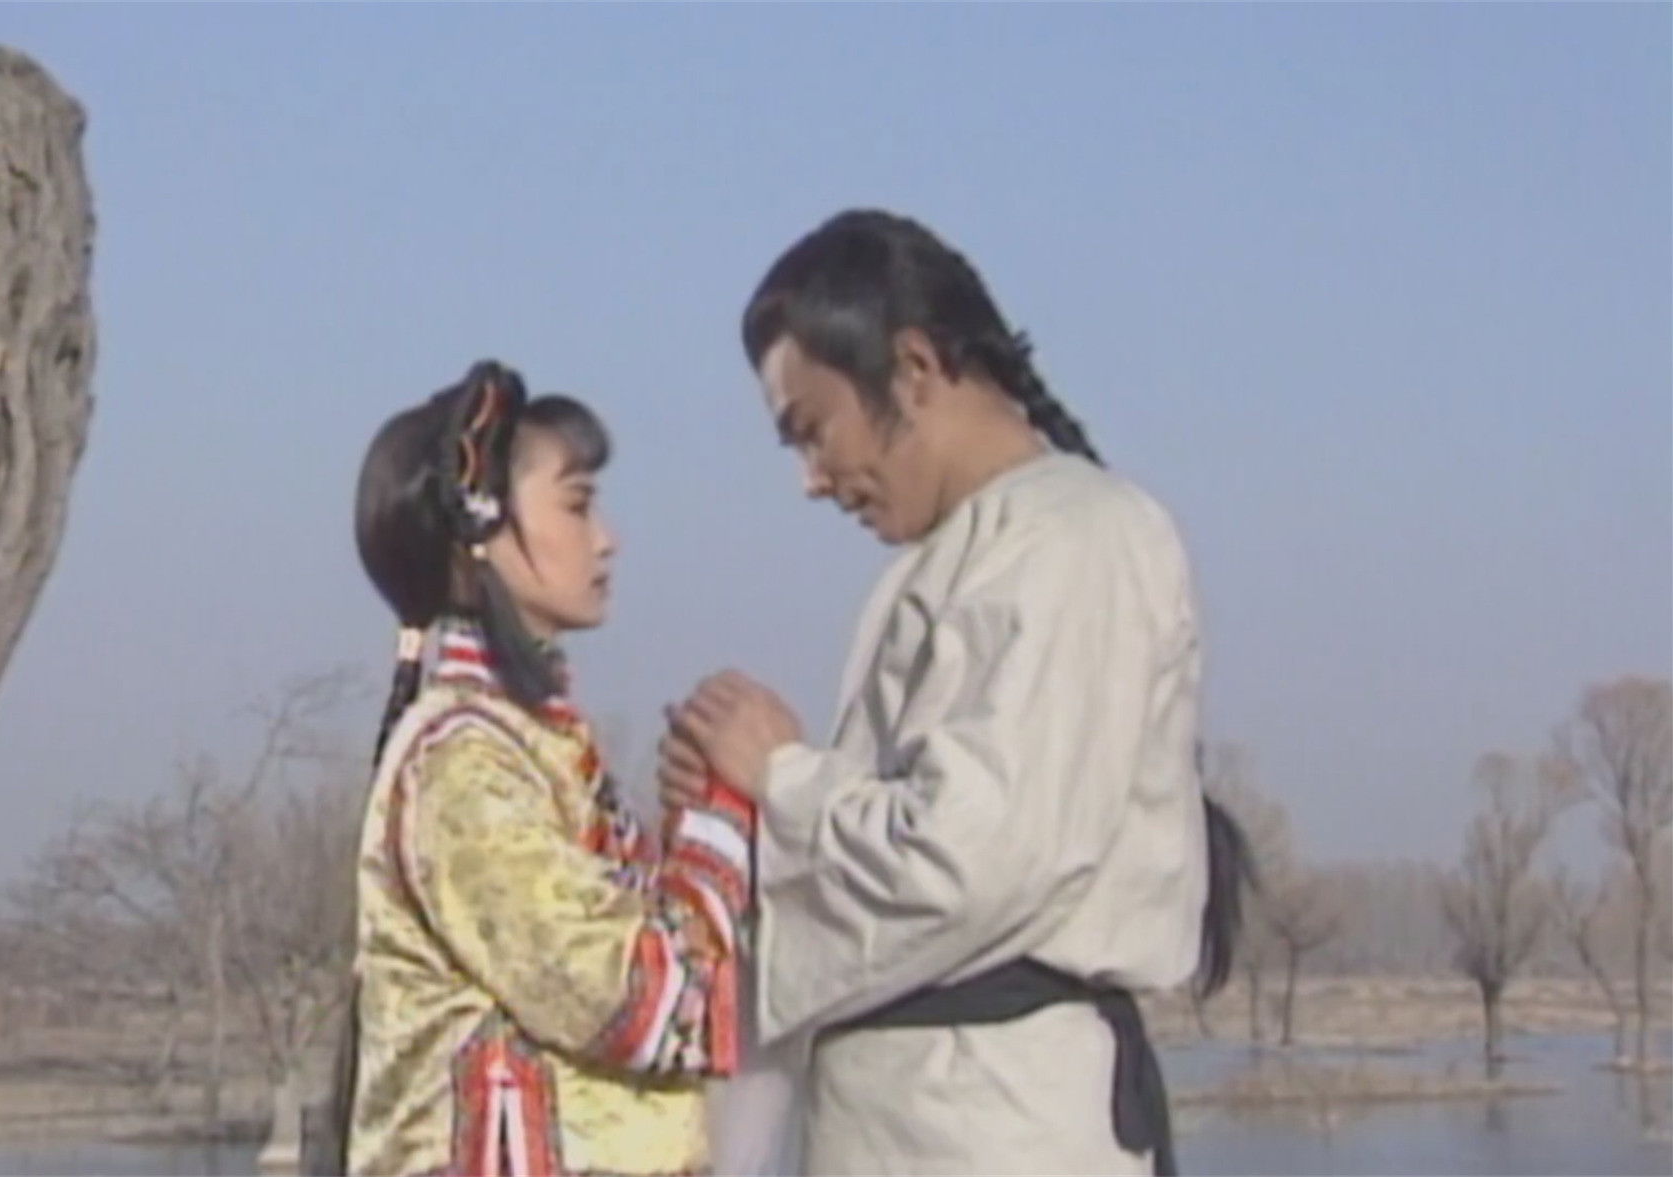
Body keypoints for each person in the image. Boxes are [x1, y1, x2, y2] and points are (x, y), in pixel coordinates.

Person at [661, 210, 1250, 1176]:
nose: (812, 480)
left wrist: (782, 780)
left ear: (914, 368)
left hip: (994, 1123)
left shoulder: (1076, 537)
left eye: (812, 432)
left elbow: (974, 857)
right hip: (929, 1116)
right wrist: (738, 819)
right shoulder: (979, 550)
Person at [329, 360, 756, 1177]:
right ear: (479, 534)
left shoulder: (531, 743)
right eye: (577, 503)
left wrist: (692, 827)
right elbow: (643, 1000)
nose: (606, 538)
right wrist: (722, 816)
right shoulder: (463, 765)